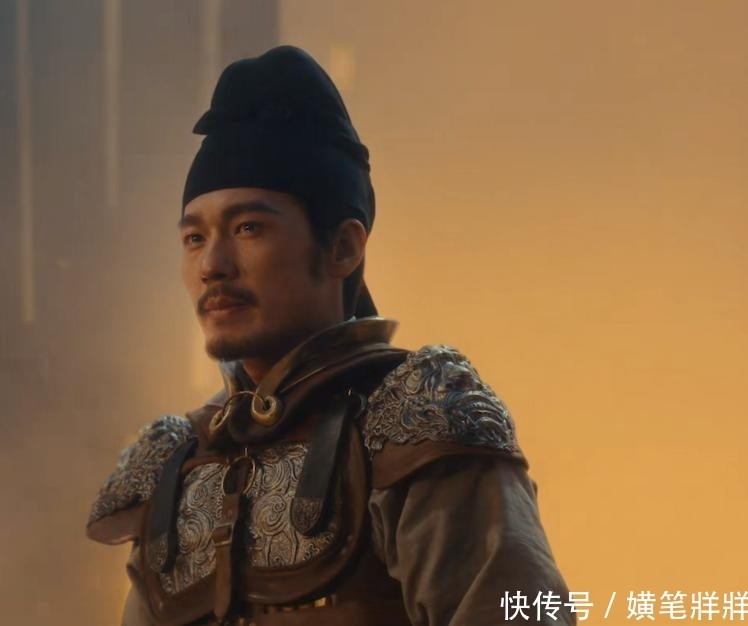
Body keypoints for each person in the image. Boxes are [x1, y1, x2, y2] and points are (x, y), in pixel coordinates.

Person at [86, 45, 573, 626]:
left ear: (343, 246)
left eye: (248, 227)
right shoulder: (180, 462)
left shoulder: (417, 425)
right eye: (194, 238)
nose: (212, 265)